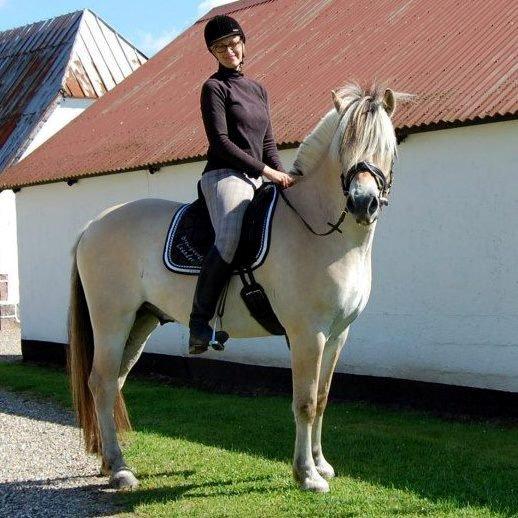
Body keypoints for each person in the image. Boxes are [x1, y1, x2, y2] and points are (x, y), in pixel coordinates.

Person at [189, 14, 294, 354]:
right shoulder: (214, 88)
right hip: (224, 175)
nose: (229, 51)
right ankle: (199, 322)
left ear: (243, 44)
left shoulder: (258, 89)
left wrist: (283, 176)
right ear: (213, 53)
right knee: (231, 234)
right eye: (220, 47)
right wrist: (268, 172)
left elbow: (268, 143)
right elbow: (220, 142)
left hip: (256, 175)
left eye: (233, 43)